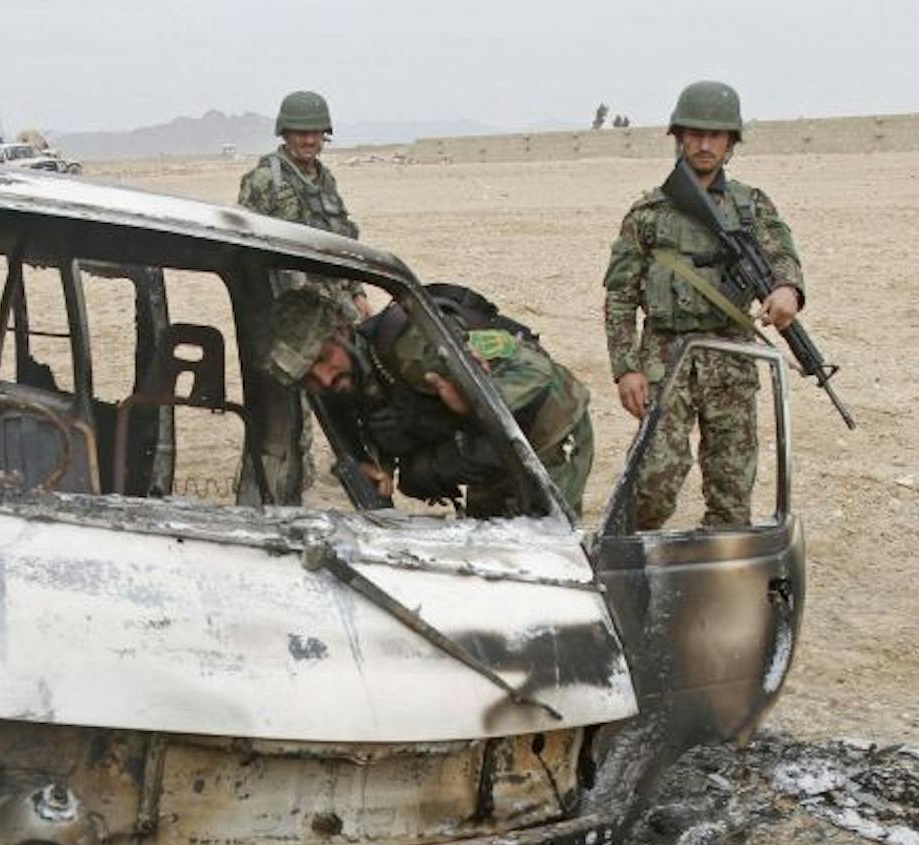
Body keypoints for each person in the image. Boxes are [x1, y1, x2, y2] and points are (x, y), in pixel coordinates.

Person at [601, 80, 806, 530]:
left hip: (730, 359)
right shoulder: (647, 214)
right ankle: (627, 555)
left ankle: (722, 564)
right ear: (679, 137)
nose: (705, 145)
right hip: (665, 359)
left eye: (716, 136)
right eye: (695, 134)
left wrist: (787, 290)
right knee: (652, 483)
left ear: (732, 143)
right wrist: (626, 368)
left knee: (731, 492)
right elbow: (619, 296)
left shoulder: (751, 206)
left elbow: (782, 256)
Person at [262, 286, 592, 519]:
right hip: (490, 449)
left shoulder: (414, 347)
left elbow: (537, 371)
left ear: (343, 331)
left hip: (548, 424)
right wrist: (377, 463)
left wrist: (476, 400)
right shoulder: (346, 384)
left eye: (323, 357)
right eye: (308, 376)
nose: (324, 378)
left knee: (547, 550)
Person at [239, 90, 366, 315]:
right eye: (301, 134)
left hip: (335, 305)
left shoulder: (325, 180)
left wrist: (357, 293)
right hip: (288, 311)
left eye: (316, 133)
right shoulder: (264, 180)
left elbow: (342, 241)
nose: (309, 141)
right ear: (285, 133)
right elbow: (244, 253)